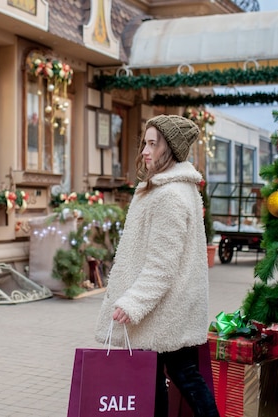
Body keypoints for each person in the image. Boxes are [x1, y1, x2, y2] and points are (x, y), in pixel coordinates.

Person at [95, 114, 218, 417]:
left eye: (153, 144)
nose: (145, 151)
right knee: (174, 375)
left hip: (164, 309)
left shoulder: (169, 195)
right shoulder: (172, 188)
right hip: (171, 307)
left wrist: (132, 302)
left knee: (166, 377)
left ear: (170, 149)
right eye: (144, 143)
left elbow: (162, 265)